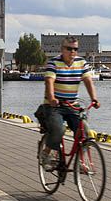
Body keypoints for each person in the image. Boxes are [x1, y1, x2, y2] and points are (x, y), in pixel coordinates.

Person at [39, 36, 100, 170]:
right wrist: (51, 98)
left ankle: (80, 161)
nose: (72, 52)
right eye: (69, 49)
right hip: (54, 106)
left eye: (75, 49)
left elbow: (88, 81)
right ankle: (46, 153)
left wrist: (94, 99)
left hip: (72, 105)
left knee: (86, 133)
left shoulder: (81, 62)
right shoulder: (54, 63)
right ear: (62, 49)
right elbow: (49, 81)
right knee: (59, 129)